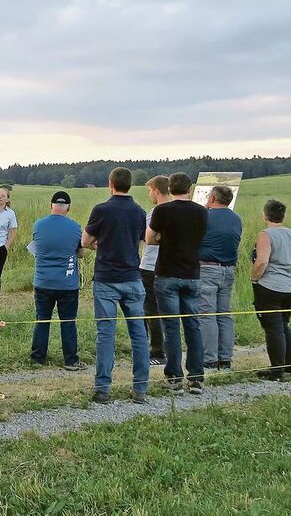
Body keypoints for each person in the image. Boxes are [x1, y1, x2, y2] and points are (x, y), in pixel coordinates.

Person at [82, 167, 150, 404]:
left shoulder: (101, 210)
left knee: (106, 334)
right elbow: (142, 239)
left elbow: (85, 241)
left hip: (106, 278)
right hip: (132, 277)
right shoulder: (139, 211)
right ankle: (140, 389)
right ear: (130, 184)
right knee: (139, 334)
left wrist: (99, 244)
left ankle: (103, 389)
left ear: (110, 184)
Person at [146, 172, 208, 394]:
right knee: (193, 326)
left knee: (171, 327)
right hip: (192, 274)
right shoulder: (201, 211)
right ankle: (196, 377)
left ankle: (174, 377)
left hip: (167, 274)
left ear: (170, 189)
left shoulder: (162, 210)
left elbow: (150, 238)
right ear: (189, 189)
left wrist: (163, 238)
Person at [250, 199, 291, 381]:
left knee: (273, 328)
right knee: (283, 325)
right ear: (283, 216)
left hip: (271, 287)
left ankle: (277, 370)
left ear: (265, 215)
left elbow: (262, 261)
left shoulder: (266, 235)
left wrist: (254, 279)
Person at [27, 191, 85, 369]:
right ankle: (71, 360)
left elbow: (36, 247)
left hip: (43, 281)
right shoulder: (75, 227)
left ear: (51, 206)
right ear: (68, 208)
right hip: (67, 283)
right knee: (68, 321)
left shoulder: (38, 225)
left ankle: (37, 358)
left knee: (42, 320)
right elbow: (81, 253)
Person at [197, 185, 243, 370]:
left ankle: (209, 359)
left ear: (213, 198)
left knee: (207, 314)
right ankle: (225, 358)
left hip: (207, 269)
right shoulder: (236, 218)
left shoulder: (205, 216)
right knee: (224, 314)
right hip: (228, 269)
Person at [139, 175, 170, 367]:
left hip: (151, 265)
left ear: (157, 191)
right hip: (169, 266)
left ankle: (157, 350)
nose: (150, 195)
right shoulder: (176, 210)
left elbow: (148, 237)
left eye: (150, 191)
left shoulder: (156, 212)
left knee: (151, 309)